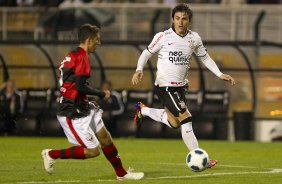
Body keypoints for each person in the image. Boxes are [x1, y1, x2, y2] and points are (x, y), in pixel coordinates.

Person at [131, 3, 235, 168]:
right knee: (186, 118)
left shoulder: (194, 38)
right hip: (165, 86)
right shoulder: (163, 36)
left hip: (180, 87)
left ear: (189, 21)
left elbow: (205, 57)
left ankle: (142, 109)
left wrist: (219, 73)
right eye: (177, 18)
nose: (180, 22)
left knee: (174, 123)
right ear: (172, 19)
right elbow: (146, 53)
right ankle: (201, 159)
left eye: (184, 19)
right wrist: (139, 69)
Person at [41, 24, 144, 180]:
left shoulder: (73, 54)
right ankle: (51, 154)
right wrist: (102, 93)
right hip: (71, 111)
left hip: (81, 105)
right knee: (93, 151)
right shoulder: (82, 56)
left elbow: (75, 85)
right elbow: (81, 86)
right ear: (89, 40)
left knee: (105, 138)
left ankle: (121, 174)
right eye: (97, 39)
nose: (99, 43)